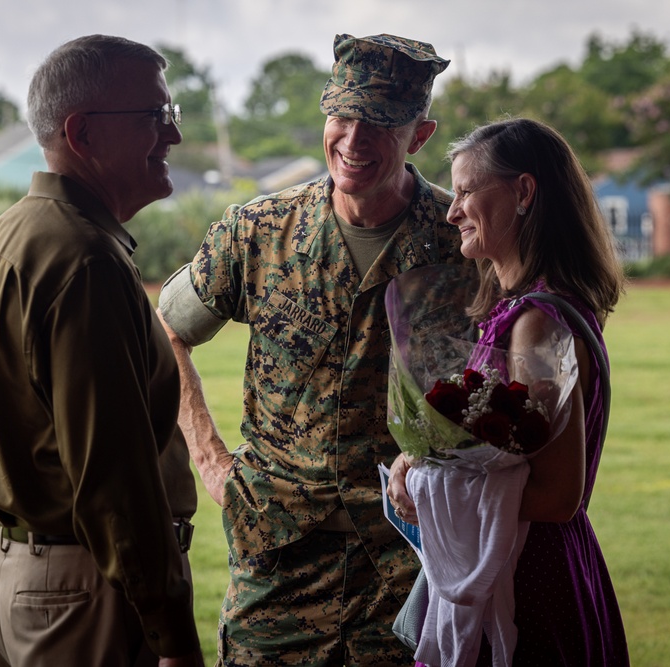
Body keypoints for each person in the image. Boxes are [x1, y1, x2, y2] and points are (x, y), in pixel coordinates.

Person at [157, 33, 478, 665]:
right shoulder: (256, 233)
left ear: (420, 135)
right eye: (343, 116)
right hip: (277, 566)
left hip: (409, 566)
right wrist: (212, 460)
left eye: (380, 123)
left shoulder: (460, 246)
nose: (354, 141)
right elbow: (165, 332)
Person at [0, 34, 203, 667]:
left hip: (17, 578)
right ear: (81, 133)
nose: (173, 137)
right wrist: (170, 631)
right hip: (88, 592)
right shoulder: (84, 260)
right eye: (155, 116)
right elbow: (113, 474)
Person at [388, 117, 629, 665]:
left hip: (530, 582)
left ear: (523, 192)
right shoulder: (529, 310)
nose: (452, 211)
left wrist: (425, 485)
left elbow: (557, 496)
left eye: (467, 191)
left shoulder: (538, 324)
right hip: (526, 566)